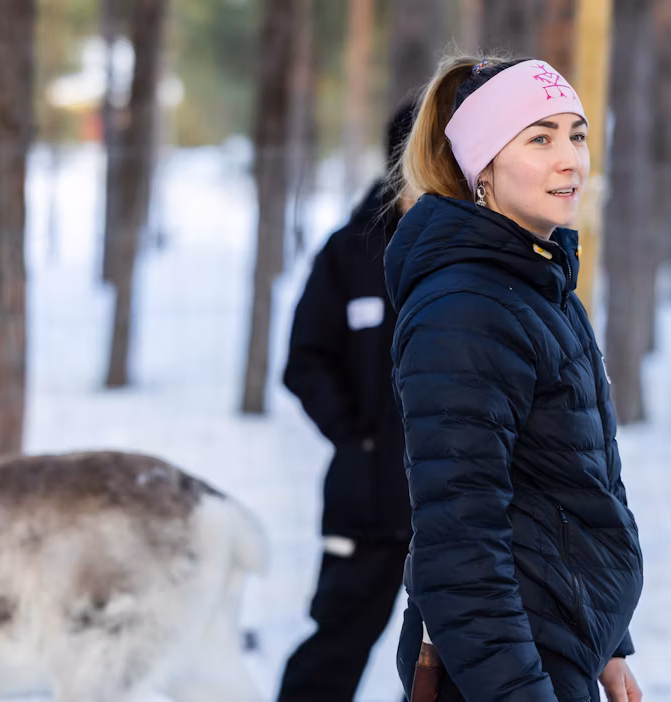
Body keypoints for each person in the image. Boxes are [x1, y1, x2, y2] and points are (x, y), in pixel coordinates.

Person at [385, 55, 644, 702]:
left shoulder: (542, 287)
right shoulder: (466, 309)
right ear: (483, 167)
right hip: (505, 665)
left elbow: (576, 481)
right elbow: (460, 543)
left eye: (576, 135)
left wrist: (608, 644)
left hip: (560, 643)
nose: (571, 160)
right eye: (539, 139)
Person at [276, 101, 419, 702]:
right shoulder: (349, 252)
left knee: (464, 665)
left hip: (467, 507)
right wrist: (358, 437)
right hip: (369, 499)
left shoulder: (482, 255)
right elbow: (304, 359)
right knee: (333, 649)